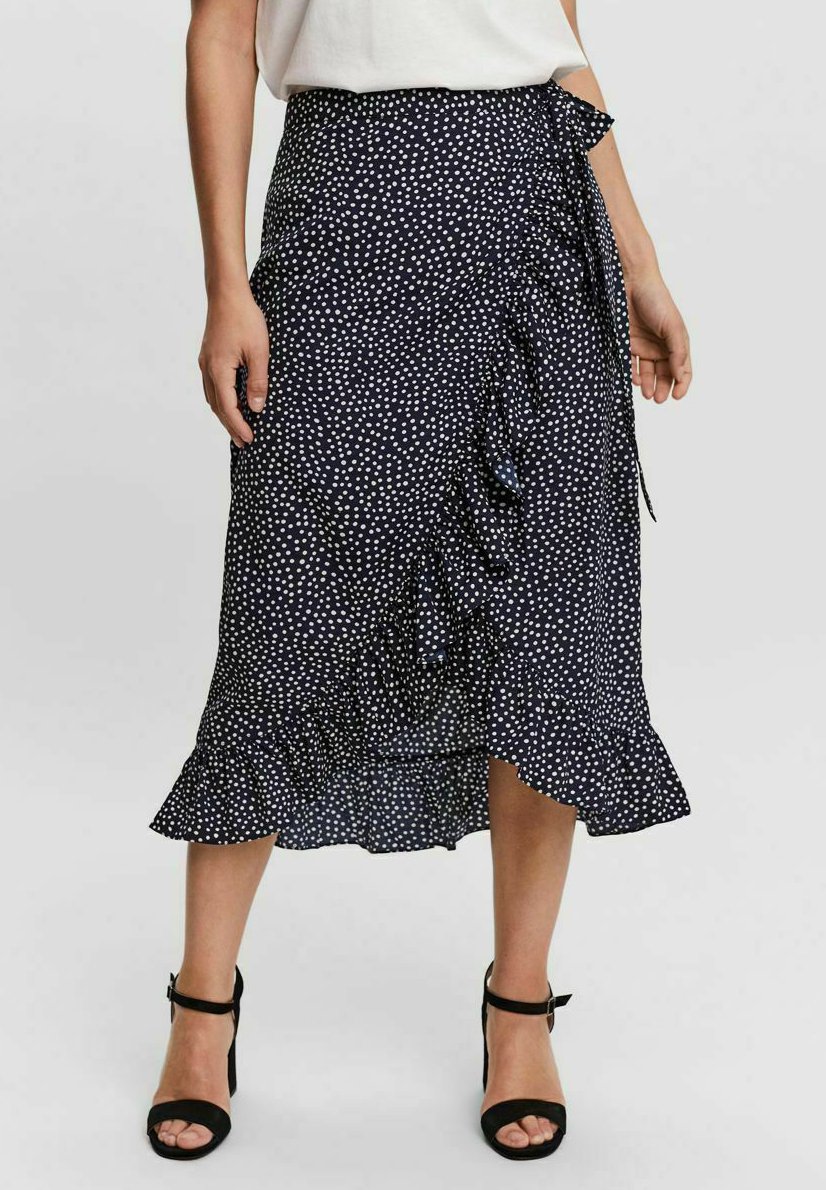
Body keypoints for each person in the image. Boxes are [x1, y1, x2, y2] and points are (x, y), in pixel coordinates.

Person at [145, 0, 693, 1163]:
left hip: (541, 223)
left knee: (548, 622)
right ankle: (201, 1004)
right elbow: (220, 35)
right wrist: (225, 284)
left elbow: (553, 47)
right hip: (346, 206)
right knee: (286, 621)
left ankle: (520, 1006)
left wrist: (638, 260)